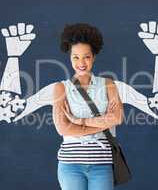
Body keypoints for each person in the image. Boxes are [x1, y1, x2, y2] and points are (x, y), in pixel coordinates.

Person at [52, 23, 124, 190]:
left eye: (86, 56)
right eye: (75, 57)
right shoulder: (61, 88)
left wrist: (79, 121)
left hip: (102, 164)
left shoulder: (109, 84)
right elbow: (63, 129)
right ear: (70, 58)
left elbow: (117, 118)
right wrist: (101, 123)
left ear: (94, 57)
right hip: (70, 166)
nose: (81, 62)